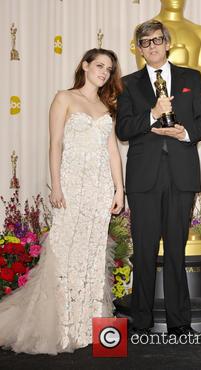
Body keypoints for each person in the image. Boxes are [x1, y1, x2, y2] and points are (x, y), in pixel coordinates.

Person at [0, 48, 124, 354]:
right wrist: (56, 186)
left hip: (100, 189)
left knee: (93, 255)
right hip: (70, 186)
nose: (103, 72)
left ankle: (88, 326)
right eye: (99, 66)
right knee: (64, 253)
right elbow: (55, 145)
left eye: (108, 69)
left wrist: (119, 190)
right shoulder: (64, 98)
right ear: (84, 66)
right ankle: (61, 327)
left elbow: (112, 152)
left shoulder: (107, 106)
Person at [116, 20, 201, 336]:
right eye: (145, 42)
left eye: (157, 39)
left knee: (175, 251)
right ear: (139, 49)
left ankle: (180, 322)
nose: (153, 46)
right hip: (143, 179)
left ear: (167, 43)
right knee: (143, 252)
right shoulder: (128, 84)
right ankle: (142, 322)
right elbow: (123, 129)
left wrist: (185, 132)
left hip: (181, 176)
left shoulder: (191, 78)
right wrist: (151, 114)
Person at [131, 0, 201, 83]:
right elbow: (143, 71)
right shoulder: (143, 31)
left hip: (190, 94)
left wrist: (181, 68)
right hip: (153, 94)